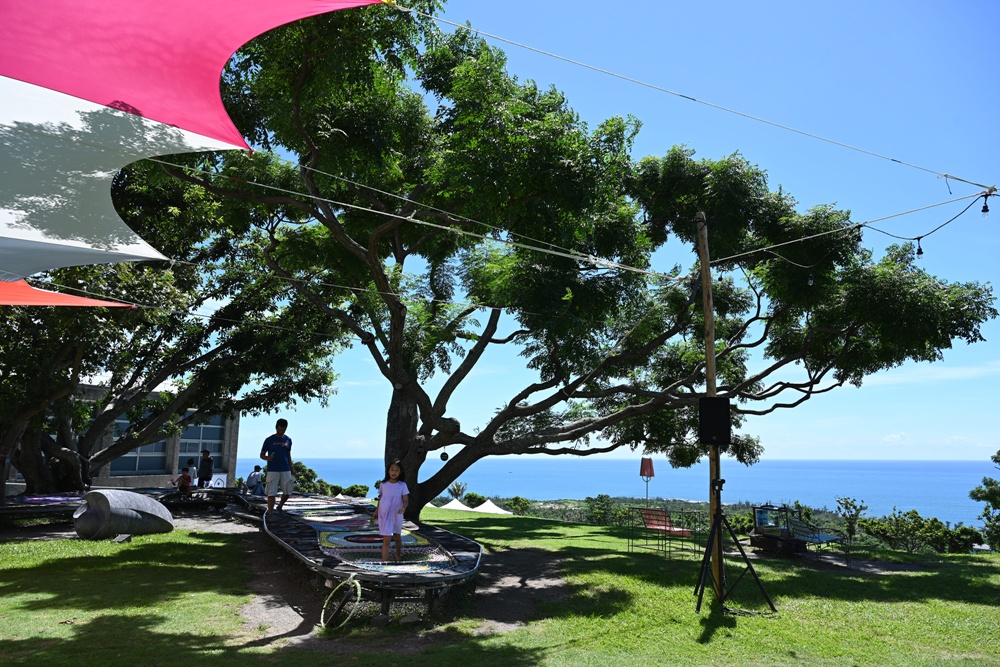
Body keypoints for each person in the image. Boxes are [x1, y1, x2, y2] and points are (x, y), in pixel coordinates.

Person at [375, 461, 409, 562]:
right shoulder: (383, 484)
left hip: (396, 514)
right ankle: (384, 562)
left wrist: (403, 507)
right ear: (388, 471)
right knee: (387, 539)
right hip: (384, 514)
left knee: (397, 537)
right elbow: (381, 498)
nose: (394, 472)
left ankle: (398, 556)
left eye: (396, 470)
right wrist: (376, 511)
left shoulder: (402, 485)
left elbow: (406, 500)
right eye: (392, 470)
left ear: (400, 472)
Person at [260, 418, 294, 515]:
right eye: (280, 429)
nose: (281, 431)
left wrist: (292, 469)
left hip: (285, 468)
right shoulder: (269, 440)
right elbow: (261, 455)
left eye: (283, 430)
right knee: (271, 492)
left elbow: (288, 455)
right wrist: (268, 458)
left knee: (288, 491)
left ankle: (280, 506)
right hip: (273, 469)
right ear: (276, 428)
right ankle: (270, 513)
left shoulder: (288, 440)